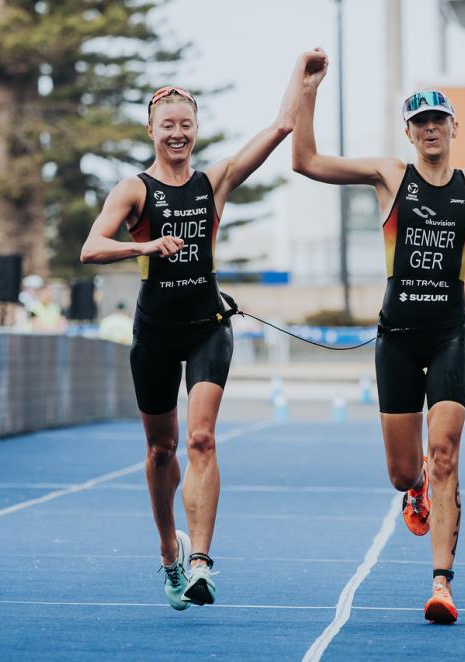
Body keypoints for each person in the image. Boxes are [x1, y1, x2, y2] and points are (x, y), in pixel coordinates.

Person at [292, 49, 465, 624]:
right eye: (420, 122)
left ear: (454, 128)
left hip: (450, 334)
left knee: (445, 454)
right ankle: (415, 490)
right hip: (397, 338)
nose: (430, 128)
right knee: (405, 471)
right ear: (408, 133)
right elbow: (305, 161)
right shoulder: (391, 176)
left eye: (439, 119)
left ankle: (441, 584)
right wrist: (306, 90)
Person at [80, 53, 311, 611]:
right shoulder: (134, 191)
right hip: (155, 331)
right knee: (161, 450)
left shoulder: (215, 183)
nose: (177, 133)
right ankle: (170, 553)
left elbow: (280, 128)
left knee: (202, 437)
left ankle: (202, 561)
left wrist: (304, 80)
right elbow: (90, 248)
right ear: (152, 130)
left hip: (208, 326)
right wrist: (144, 245)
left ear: (196, 128)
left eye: (186, 124)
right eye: (168, 125)